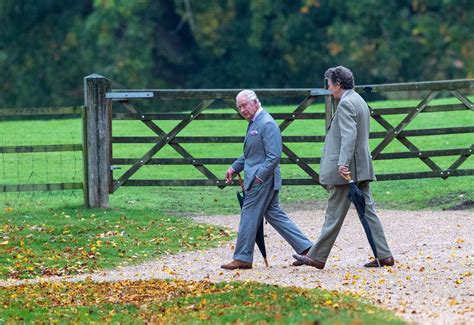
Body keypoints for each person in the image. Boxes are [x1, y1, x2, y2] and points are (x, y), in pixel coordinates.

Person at [293, 66, 394, 269]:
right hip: (361, 166)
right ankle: (384, 255)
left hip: (349, 170)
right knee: (368, 211)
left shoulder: (347, 103)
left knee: (334, 213)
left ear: (338, 84)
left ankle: (317, 257)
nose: (328, 87)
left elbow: (349, 136)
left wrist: (343, 163)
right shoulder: (359, 100)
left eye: (329, 83)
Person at [221, 90, 312, 270]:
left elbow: (274, 157)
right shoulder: (256, 122)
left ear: (255, 102)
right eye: (239, 107)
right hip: (262, 180)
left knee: (248, 214)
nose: (242, 110)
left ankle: (242, 258)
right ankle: (307, 249)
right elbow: (251, 154)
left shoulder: (267, 124)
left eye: (244, 105)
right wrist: (234, 167)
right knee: (274, 214)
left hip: (261, 181)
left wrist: (258, 178)